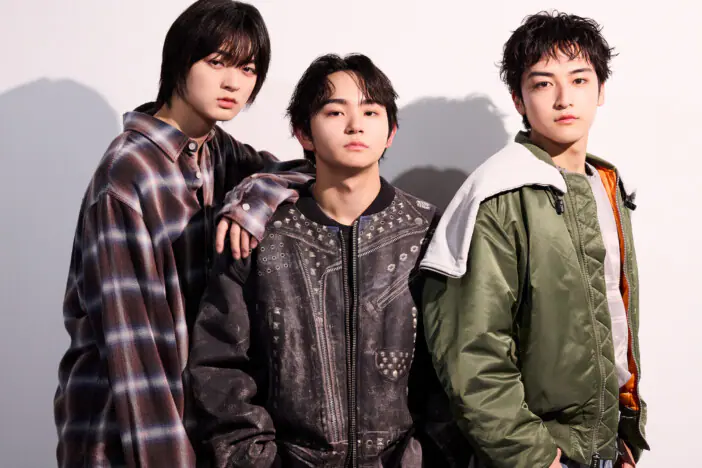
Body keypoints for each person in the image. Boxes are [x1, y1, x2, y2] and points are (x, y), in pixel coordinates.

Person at [54, 1, 310, 466]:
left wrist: (255, 198)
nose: (234, 83)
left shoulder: (217, 151)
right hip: (126, 434)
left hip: (194, 422)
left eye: (248, 69)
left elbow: (306, 174)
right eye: (217, 62)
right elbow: (135, 356)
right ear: (179, 61)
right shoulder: (128, 175)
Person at [188, 53, 466, 467]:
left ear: (390, 132)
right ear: (304, 132)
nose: (355, 125)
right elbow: (219, 364)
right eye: (335, 112)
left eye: (370, 112)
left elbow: (455, 364)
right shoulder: (261, 235)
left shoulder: (427, 231)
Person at [420, 11, 649, 468]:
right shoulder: (498, 194)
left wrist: (623, 437)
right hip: (541, 455)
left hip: (605, 450)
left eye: (579, 80)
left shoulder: (605, 185)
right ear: (518, 99)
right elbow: (472, 352)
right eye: (543, 84)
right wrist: (537, 457)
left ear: (601, 90)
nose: (565, 98)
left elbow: (615, 322)